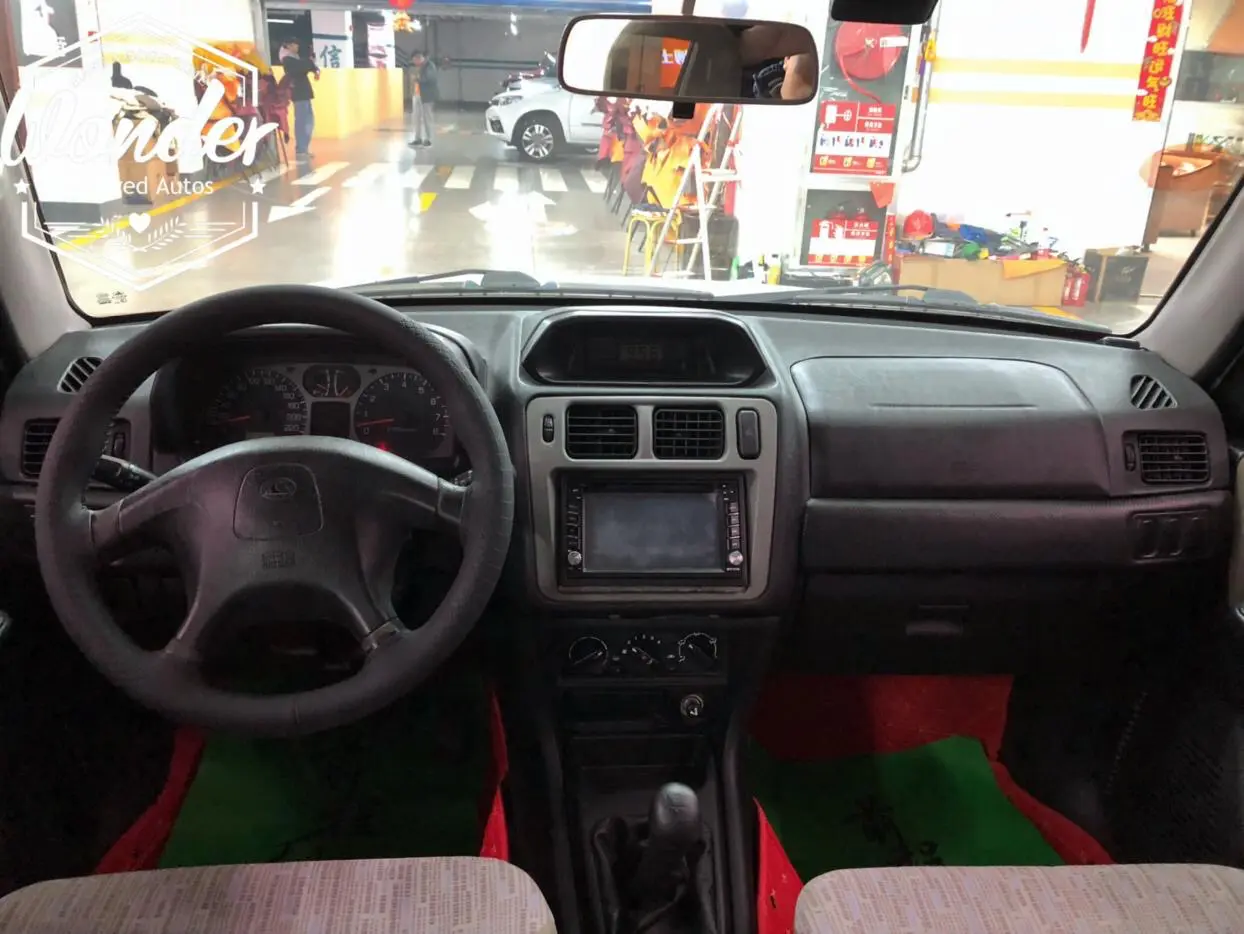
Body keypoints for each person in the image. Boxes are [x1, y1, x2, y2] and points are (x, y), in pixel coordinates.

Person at [279, 40, 320, 159]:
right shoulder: (287, 59)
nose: (297, 46)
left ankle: (303, 148)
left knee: (308, 121)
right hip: (298, 93)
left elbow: (307, 66)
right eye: (295, 44)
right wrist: (310, 62)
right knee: (302, 122)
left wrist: (313, 67)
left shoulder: (294, 58)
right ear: (289, 45)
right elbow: (303, 66)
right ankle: (301, 149)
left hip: (303, 94)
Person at [408, 51, 439, 148]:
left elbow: (430, 78)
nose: (414, 63)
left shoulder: (430, 66)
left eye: (415, 60)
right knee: (416, 118)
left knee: (427, 118)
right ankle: (418, 138)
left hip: (427, 96)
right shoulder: (419, 67)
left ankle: (428, 139)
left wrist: (417, 79)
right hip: (417, 94)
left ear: (419, 58)